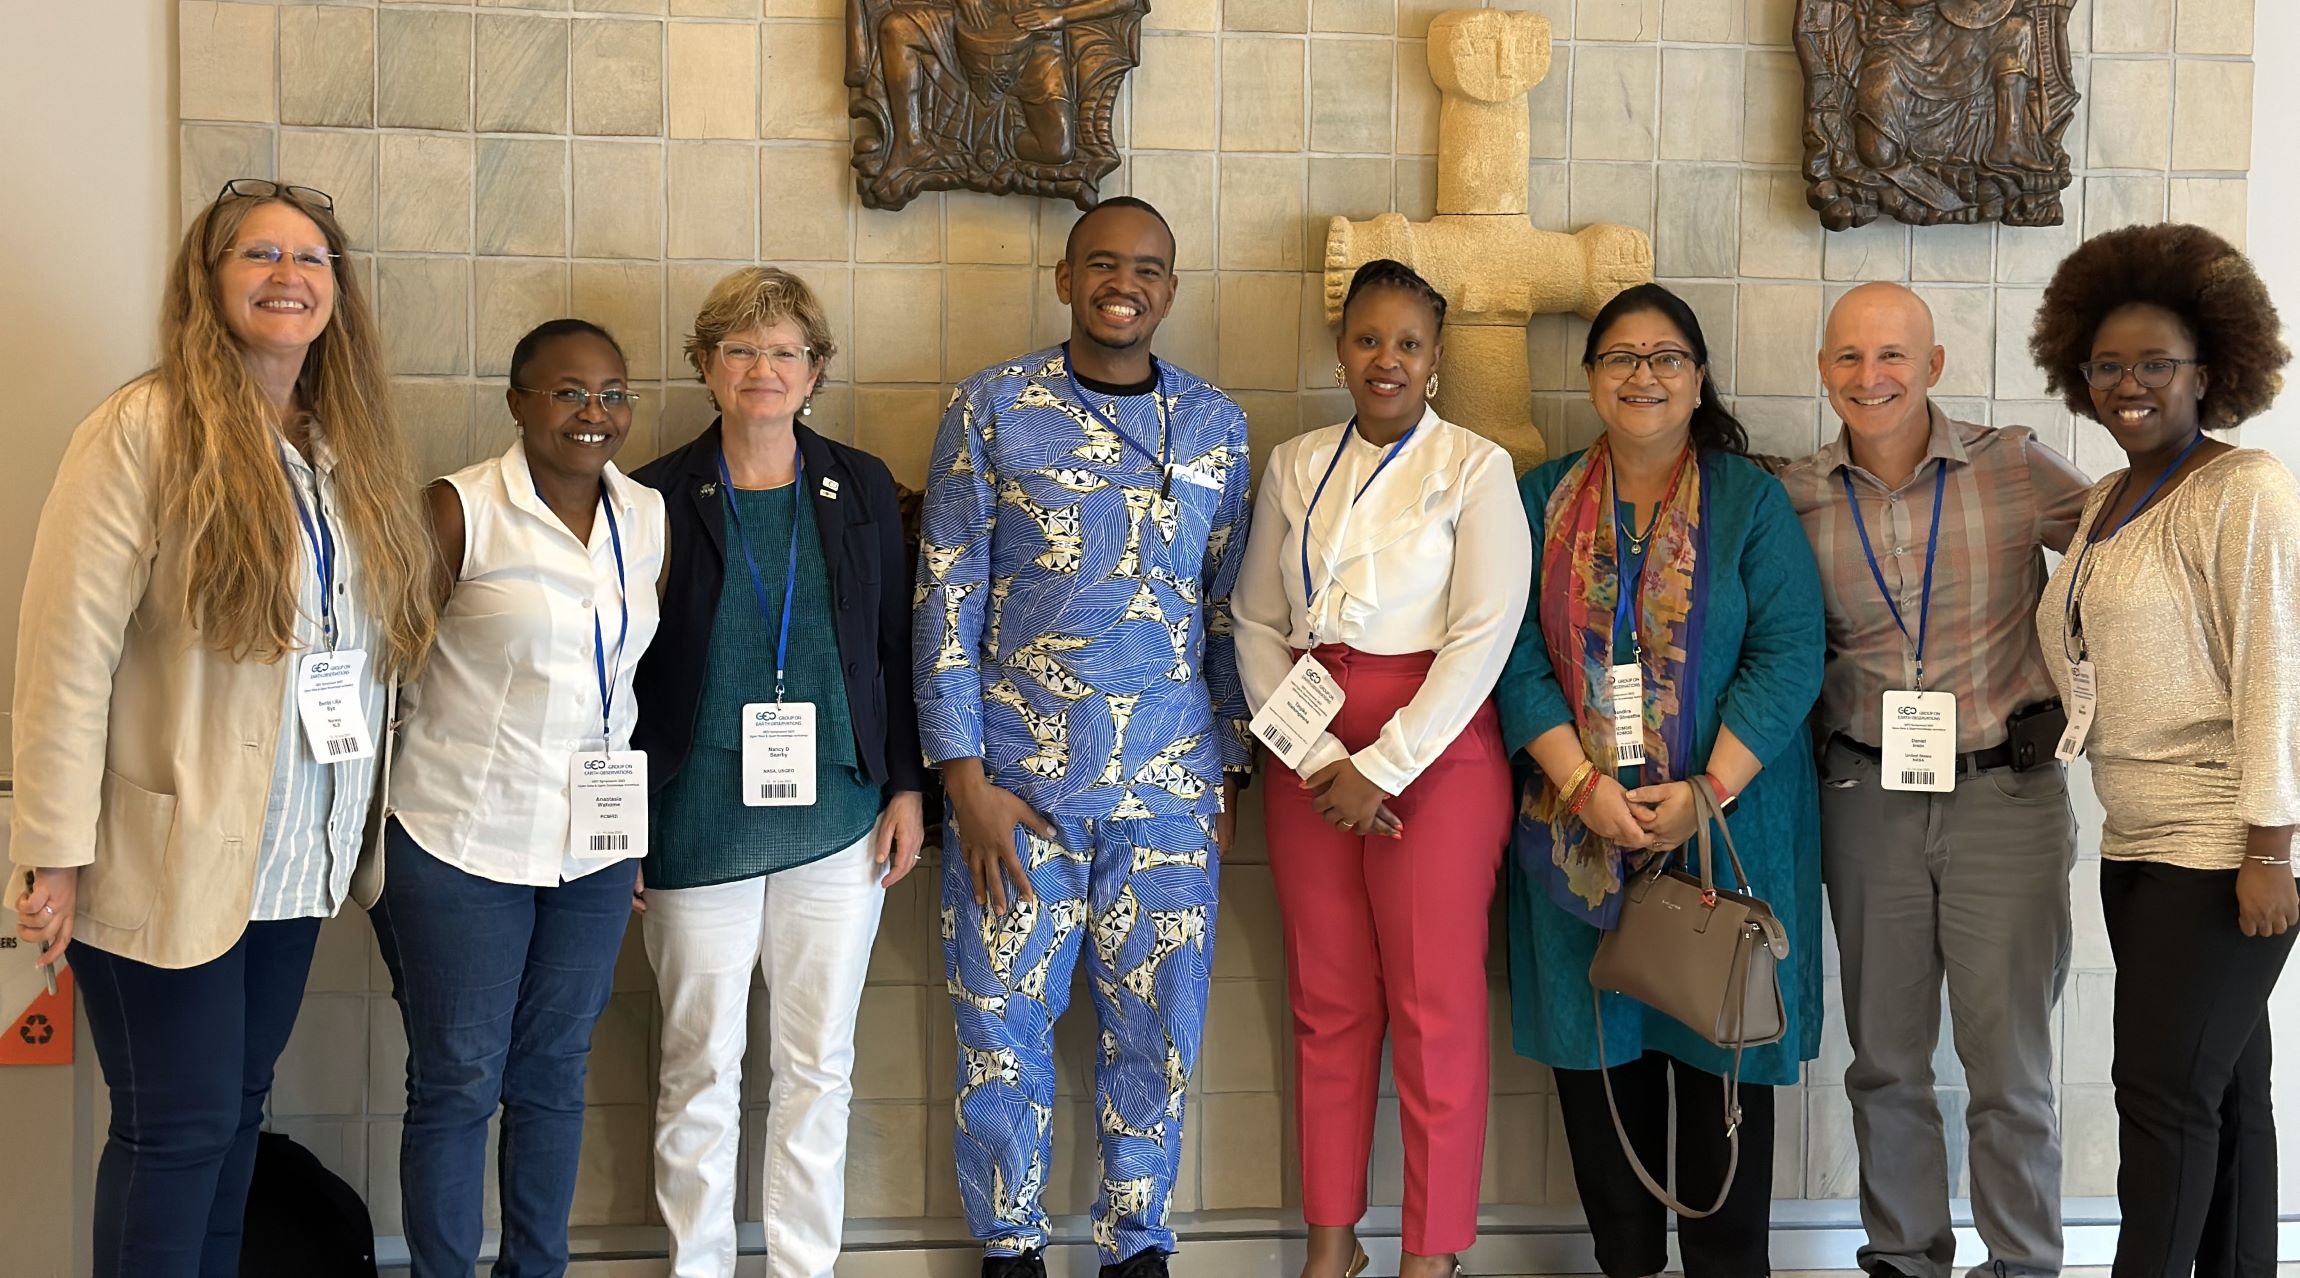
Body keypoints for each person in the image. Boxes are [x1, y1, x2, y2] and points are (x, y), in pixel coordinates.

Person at [9, 179, 435, 1276]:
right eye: (257, 254)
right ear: (209, 282)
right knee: (174, 1133)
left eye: (310, 258)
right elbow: (64, 649)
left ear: (337, 292)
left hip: (293, 855)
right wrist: (50, 847)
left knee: (233, 1120)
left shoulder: (344, 448)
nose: (288, 274)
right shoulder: (143, 429)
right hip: (170, 848)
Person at [914, 195, 1253, 1278]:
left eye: (1148, 268)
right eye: (1102, 264)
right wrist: (959, 780)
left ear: (1168, 288)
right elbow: (943, 598)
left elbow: (1223, 611)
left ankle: (1136, 1248)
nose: (1125, 283)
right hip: (1015, 798)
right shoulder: (992, 407)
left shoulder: (1215, 426)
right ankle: (1008, 1250)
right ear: (1065, 280)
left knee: (1157, 1035)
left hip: (1167, 795)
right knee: (999, 1037)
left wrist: (1227, 766)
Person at [1496, 283, 1824, 1278]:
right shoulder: (1534, 499)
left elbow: (1788, 652)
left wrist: (1703, 791)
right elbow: (1506, 652)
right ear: (1591, 377)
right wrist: (1580, 784)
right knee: (1604, 1062)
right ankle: (1627, 1264)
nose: (1642, 376)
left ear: (1696, 379)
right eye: (1619, 358)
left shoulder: (1749, 501)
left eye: (1664, 357)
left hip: (1727, 827)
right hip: (1577, 832)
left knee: (1718, 1050)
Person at [1777, 282, 2089, 1278]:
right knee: (1885, 1063)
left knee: (2009, 1069)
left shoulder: (2009, 468)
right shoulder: (1792, 496)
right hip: (1864, 802)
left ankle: (2023, 1263)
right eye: (1847, 358)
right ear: (1823, 368)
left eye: (1891, 357)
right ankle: (1904, 1258)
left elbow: (2126, 564)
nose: (1869, 379)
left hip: (2004, 794)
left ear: (1934, 367)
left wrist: (2100, 704)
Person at [1232, 260, 1529, 1278]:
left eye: (1406, 342)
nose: (1385, 359)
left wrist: (1384, 766)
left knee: (1432, 1003)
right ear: (1340, 349)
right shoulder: (1293, 462)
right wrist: (1319, 760)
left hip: (1432, 755)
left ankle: (1430, 1254)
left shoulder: (1474, 469)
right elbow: (1253, 622)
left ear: (1435, 357)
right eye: (1366, 339)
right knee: (1327, 1000)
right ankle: (1330, 1244)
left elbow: (1483, 635)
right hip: (1303, 749)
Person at [630, 267, 927, 1278]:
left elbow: (893, 647)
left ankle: (805, 1268)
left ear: (815, 371)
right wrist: (618, 825)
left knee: (816, 1070)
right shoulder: (651, 496)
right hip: (690, 822)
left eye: (786, 350)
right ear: (706, 367)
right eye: (741, 350)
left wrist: (904, 788)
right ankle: (698, 1267)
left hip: (839, 822)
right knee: (696, 1069)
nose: (763, 368)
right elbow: (615, 671)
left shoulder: (859, 487)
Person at [2029, 222, 2300, 1278]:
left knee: (2157, 1095)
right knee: (2222, 1089)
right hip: (2132, 838)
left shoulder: (2243, 491)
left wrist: (2269, 847)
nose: (2125, 383)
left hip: (2219, 838)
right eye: (2104, 365)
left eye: (2153, 363)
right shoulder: (2105, 501)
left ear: (2210, 371)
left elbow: (2272, 676)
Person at [371, 319, 666, 1277]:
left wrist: (625, 836)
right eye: (569, 392)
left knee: (553, 1078)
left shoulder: (646, 515)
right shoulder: (458, 509)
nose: (595, 413)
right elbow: (389, 669)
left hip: (591, 850)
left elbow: (622, 686)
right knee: (458, 1083)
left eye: (613, 392)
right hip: (461, 840)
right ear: (518, 402)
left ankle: (537, 1269)